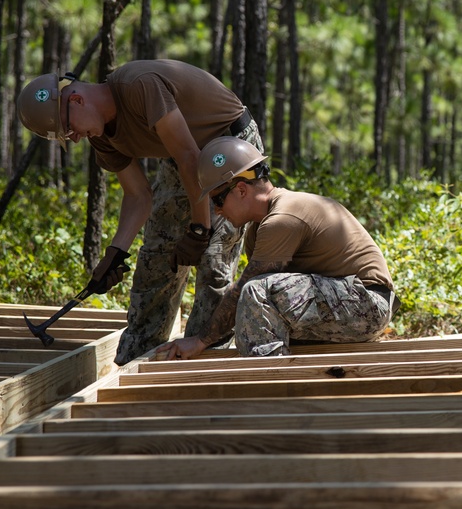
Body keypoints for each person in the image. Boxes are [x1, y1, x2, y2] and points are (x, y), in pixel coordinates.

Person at [17, 59, 263, 364]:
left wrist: (200, 230)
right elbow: (138, 196)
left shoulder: (139, 85)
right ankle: (136, 357)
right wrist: (115, 252)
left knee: (212, 260)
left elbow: (190, 158)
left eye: (69, 130)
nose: (75, 138)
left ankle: (203, 358)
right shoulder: (101, 136)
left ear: (77, 100)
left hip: (229, 147)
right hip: (180, 155)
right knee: (159, 257)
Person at [155, 137, 397, 359]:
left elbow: (246, 292)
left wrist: (200, 341)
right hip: (339, 305)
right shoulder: (257, 231)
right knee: (256, 296)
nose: (217, 211)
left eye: (218, 200)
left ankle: (269, 380)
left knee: (256, 291)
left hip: (368, 305)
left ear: (241, 190)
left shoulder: (283, 217)